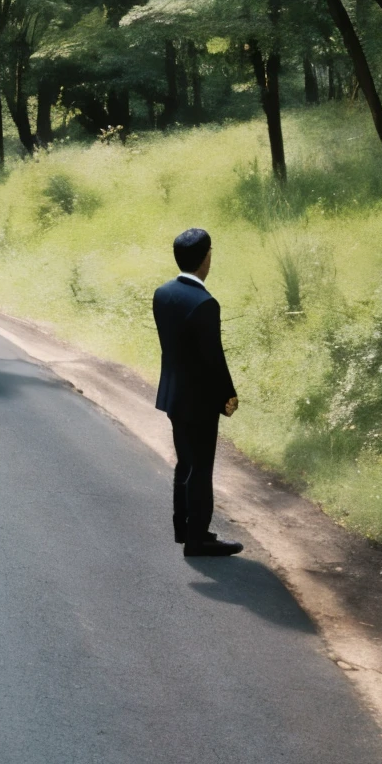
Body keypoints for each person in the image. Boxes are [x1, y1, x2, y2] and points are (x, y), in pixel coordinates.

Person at [152, 227, 243, 558]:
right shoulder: (205, 303)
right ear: (206, 258)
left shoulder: (163, 293)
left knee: (185, 463)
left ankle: (183, 527)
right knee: (201, 468)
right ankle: (198, 539)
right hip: (199, 401)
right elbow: (213, 358)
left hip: (174, 395)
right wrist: (227, 396)